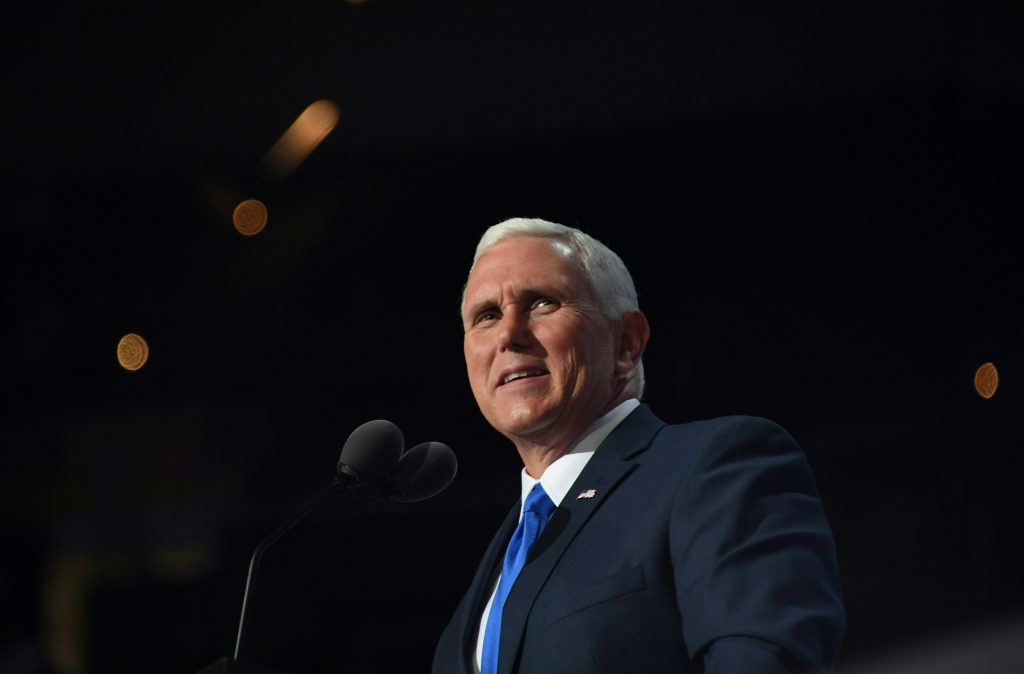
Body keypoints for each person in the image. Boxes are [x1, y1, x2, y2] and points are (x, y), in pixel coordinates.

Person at [433, 218, 845, 674]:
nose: (508, 335)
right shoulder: (479, 596)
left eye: (543, 303)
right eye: (486, 316)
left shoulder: (713, 468)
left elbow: (763, 658)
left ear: (627, 343)